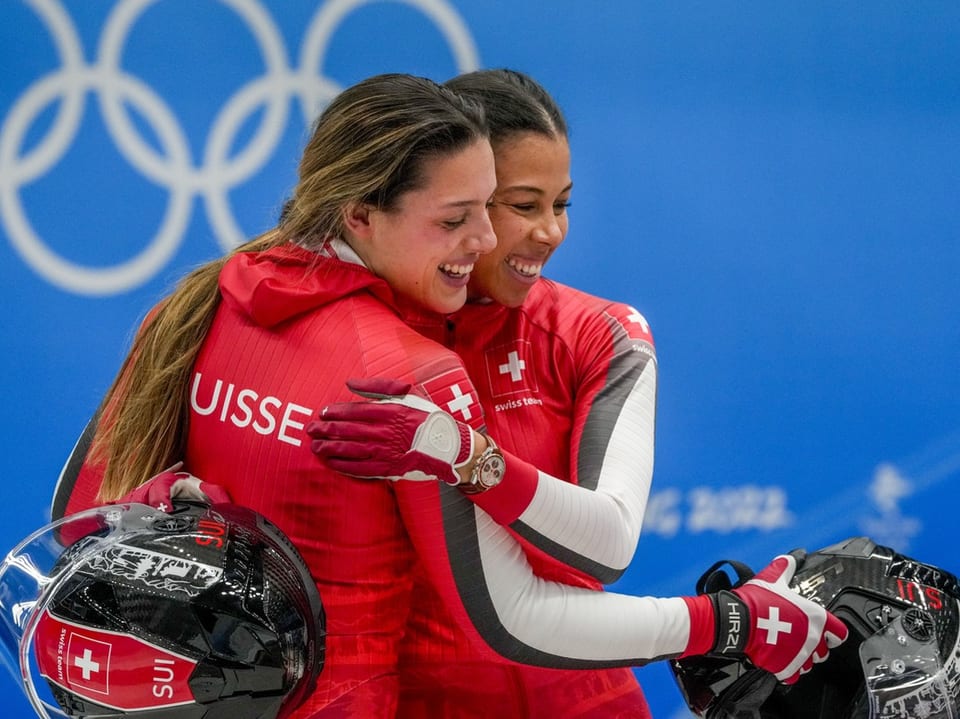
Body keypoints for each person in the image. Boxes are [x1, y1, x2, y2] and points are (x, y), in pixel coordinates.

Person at [52, 73, 845, 719]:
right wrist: (720, 620)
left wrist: (479, 461)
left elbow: (605, 545)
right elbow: (514, 613)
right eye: (493, 210)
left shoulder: (206, 298)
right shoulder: (398, 358)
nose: (513, 238)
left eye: (558, 204)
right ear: (365, 213)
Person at [307, 71, 845, 717]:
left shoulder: (600, 335)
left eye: (560, 204)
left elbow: (609, 542)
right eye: (521, 205)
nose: (550, 232)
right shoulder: (359, 344)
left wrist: (464, 455)